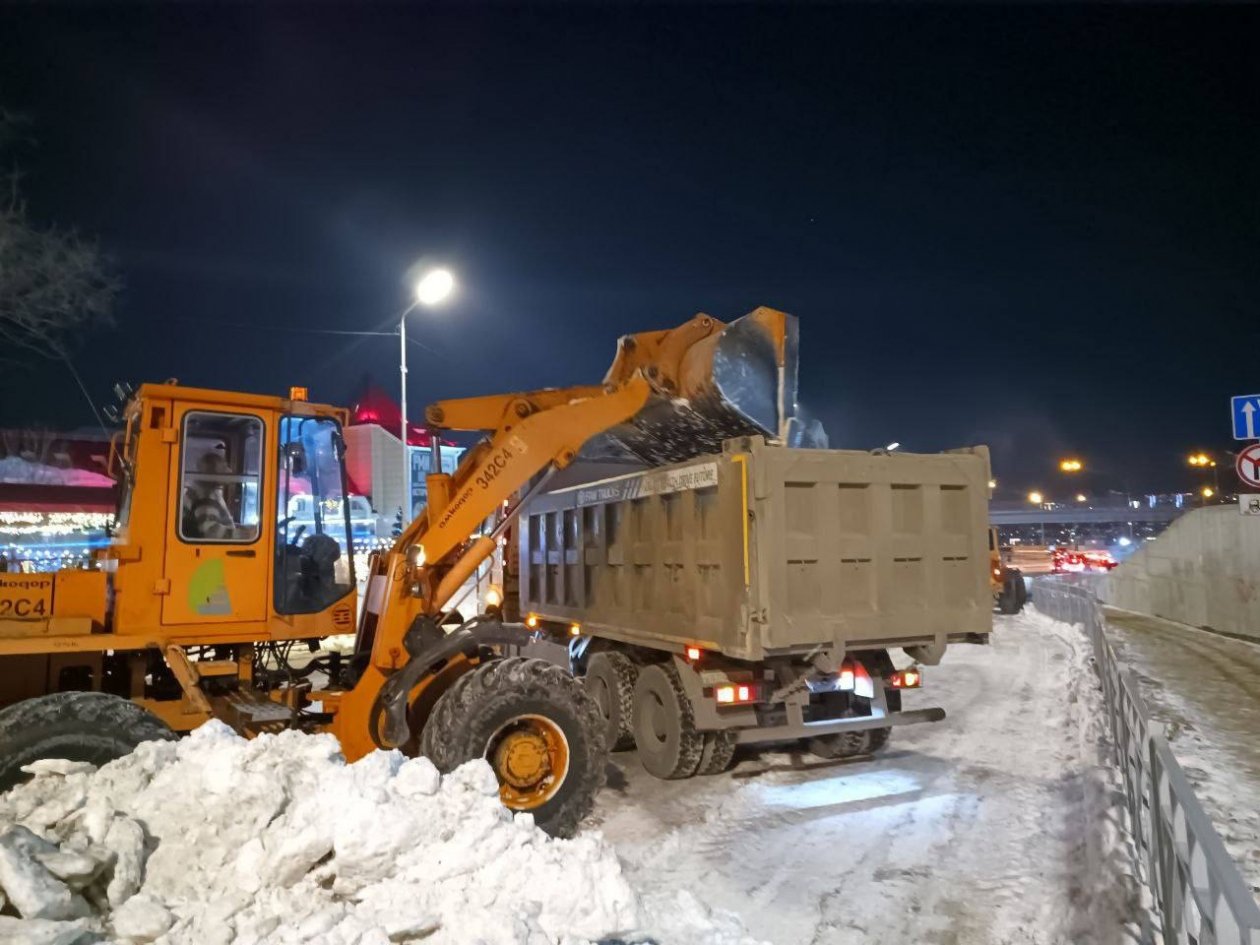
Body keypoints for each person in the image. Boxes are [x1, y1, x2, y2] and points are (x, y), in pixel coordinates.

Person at [184, 450, 257, 541]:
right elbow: (211, 532)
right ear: (211, 472)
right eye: (224, 467)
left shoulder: (208, 491)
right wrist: (247, 534)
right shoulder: (204, 496)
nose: (229, 471)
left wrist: (244, 528)